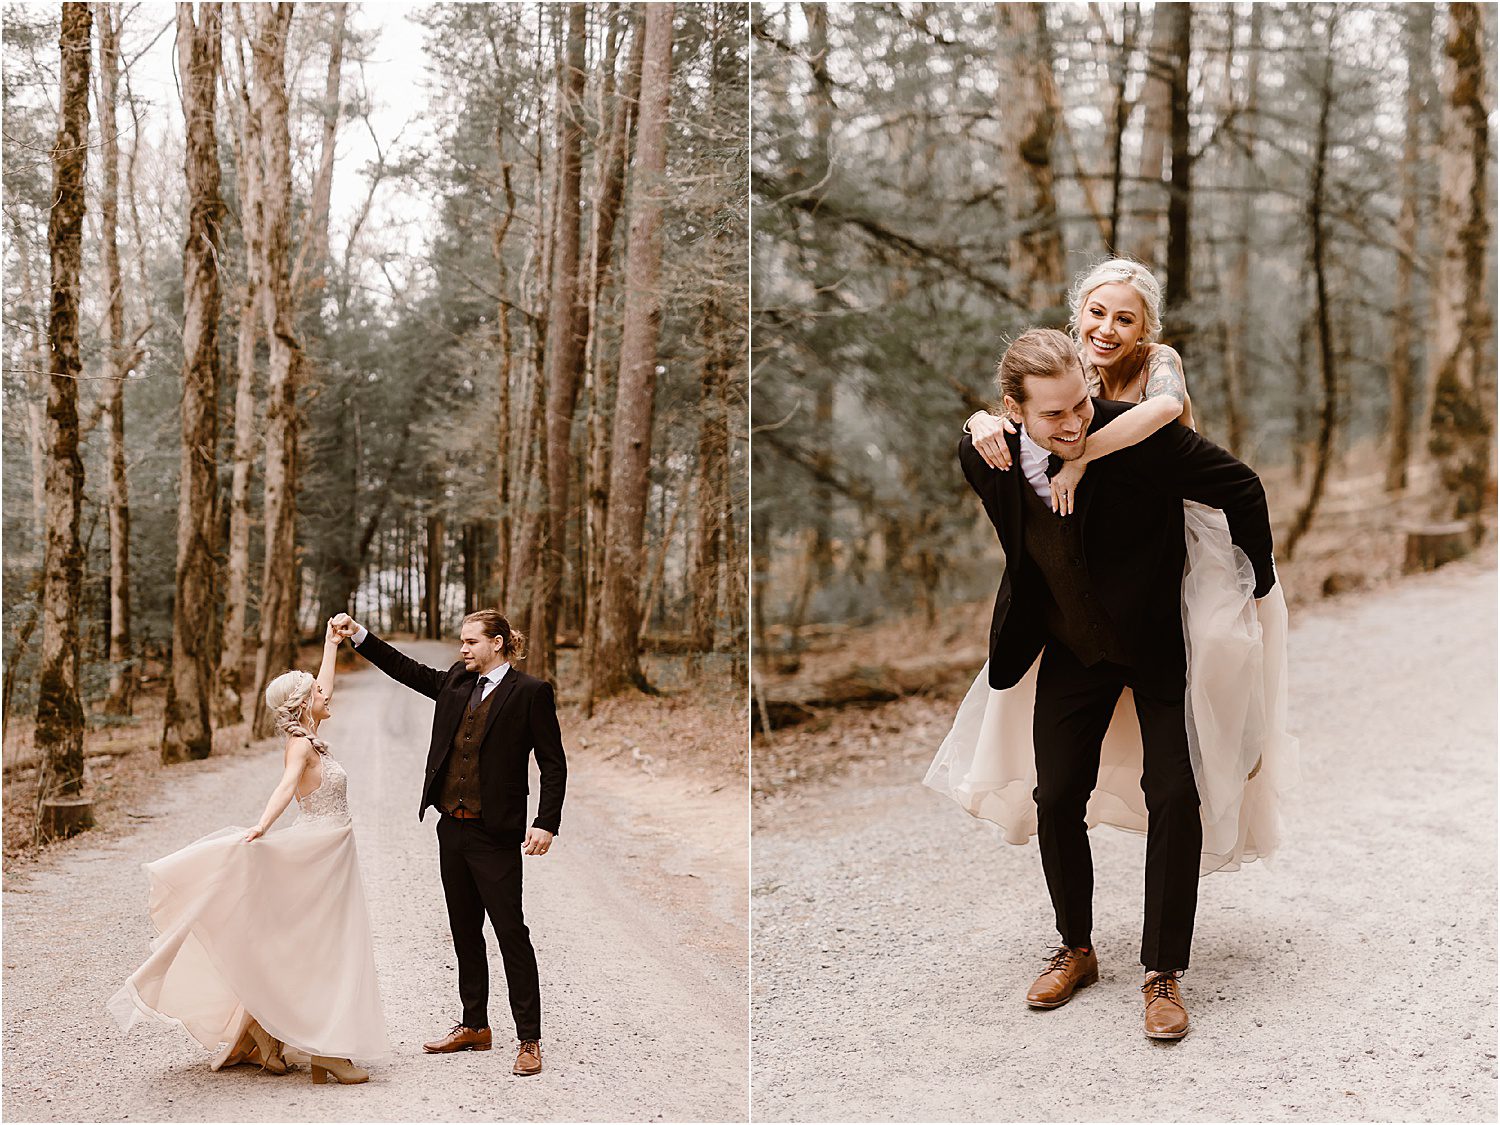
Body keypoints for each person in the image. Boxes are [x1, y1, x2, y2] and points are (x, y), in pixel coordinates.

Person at [929, 324, 1283, 1040]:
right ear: (1013, 408)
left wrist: (1253, 592)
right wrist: (976, 422)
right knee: (1056, 794)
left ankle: (1163, 972)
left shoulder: (1135, 437)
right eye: (1053, 414)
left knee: (1175, 796)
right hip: (1066, 645)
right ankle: (1076, 947)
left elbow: (1242, 486)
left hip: (1157, 648)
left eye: (1080, 405)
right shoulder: (986, 452)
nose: (1073, 425)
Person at [108, 620, 387, 1084]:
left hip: (335, 850)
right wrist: (261, 825)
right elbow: (283, 786)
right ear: (304, 705)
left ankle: (280, 1033)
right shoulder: (300, 743)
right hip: (316, 850)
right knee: (324, 944)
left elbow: (324, 682)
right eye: (318, 692)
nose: (327, 693)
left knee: (327, 941)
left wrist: (329, 644)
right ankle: (324, 1050)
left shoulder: (313, 729)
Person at [330, 608, 566, 1077]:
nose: (462, 649)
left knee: (510, 933)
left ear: (496, 644)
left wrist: (546, 822)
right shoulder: (459, 680)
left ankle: (529, 1039)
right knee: (463, 930)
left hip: (494, 833)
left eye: (470, 642)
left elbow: (553, 763)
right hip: (451, 827)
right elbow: (407, 669)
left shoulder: (531, 693)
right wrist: (359, 635)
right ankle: (474, 1025)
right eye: (462, 642)